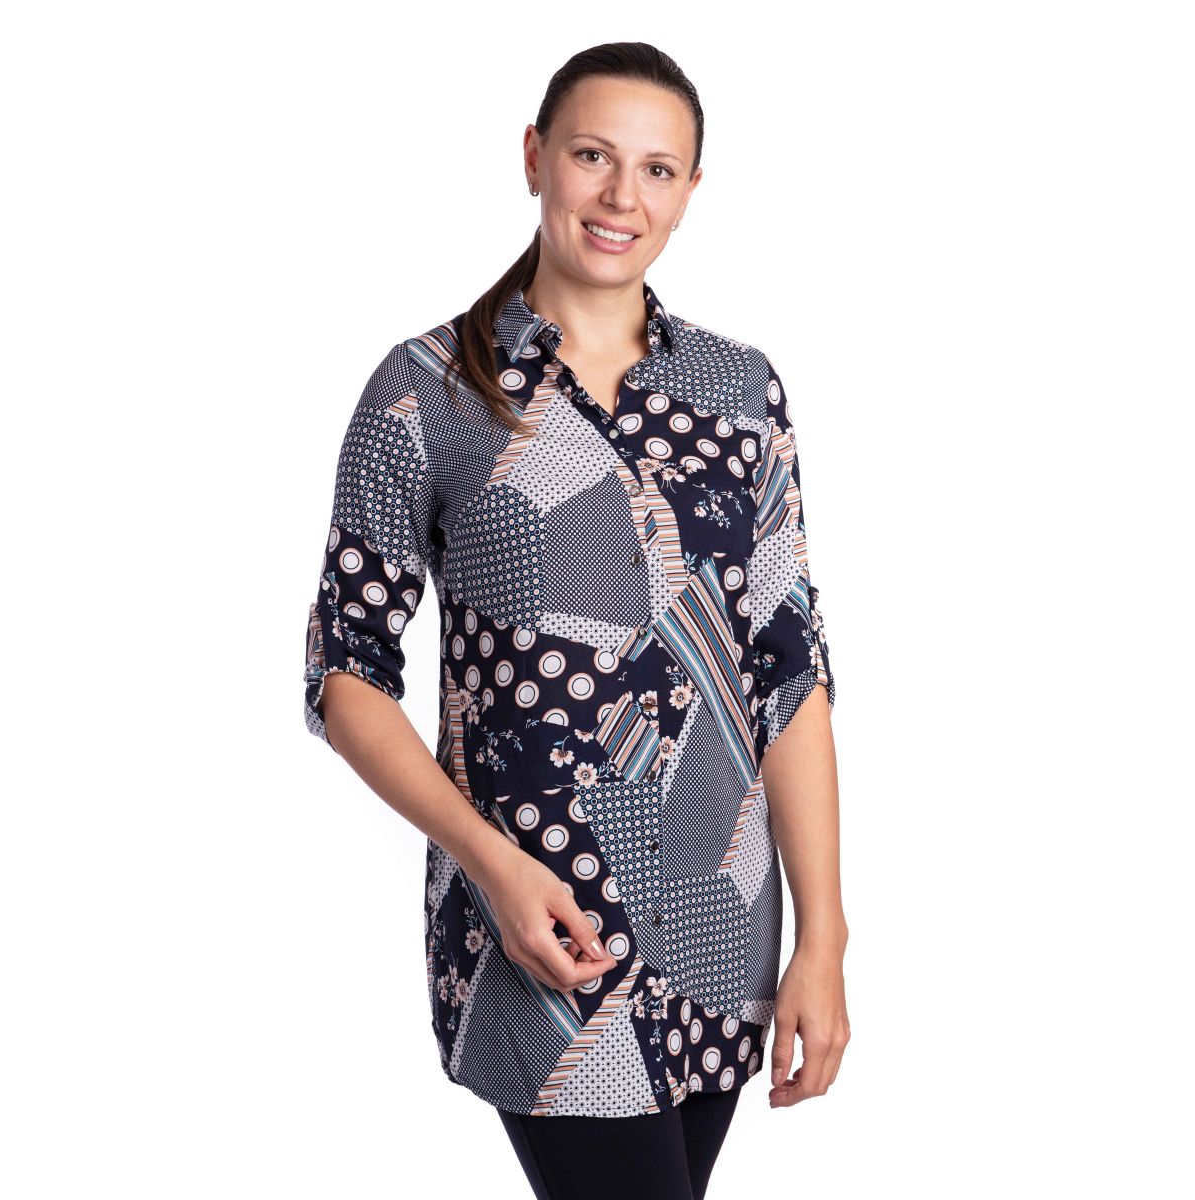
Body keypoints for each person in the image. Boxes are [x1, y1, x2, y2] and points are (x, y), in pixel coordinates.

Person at [302, 41, 849, 1200]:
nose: (621, 197)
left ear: (689, 192)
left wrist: (824, 938)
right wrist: (489, 865)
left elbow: (789, 671)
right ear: (535, 157)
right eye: (594, 156)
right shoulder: (428, 391)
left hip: (718, 926)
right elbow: (346, 673)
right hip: (542, 932)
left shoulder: (739, 391)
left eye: (657, 170)